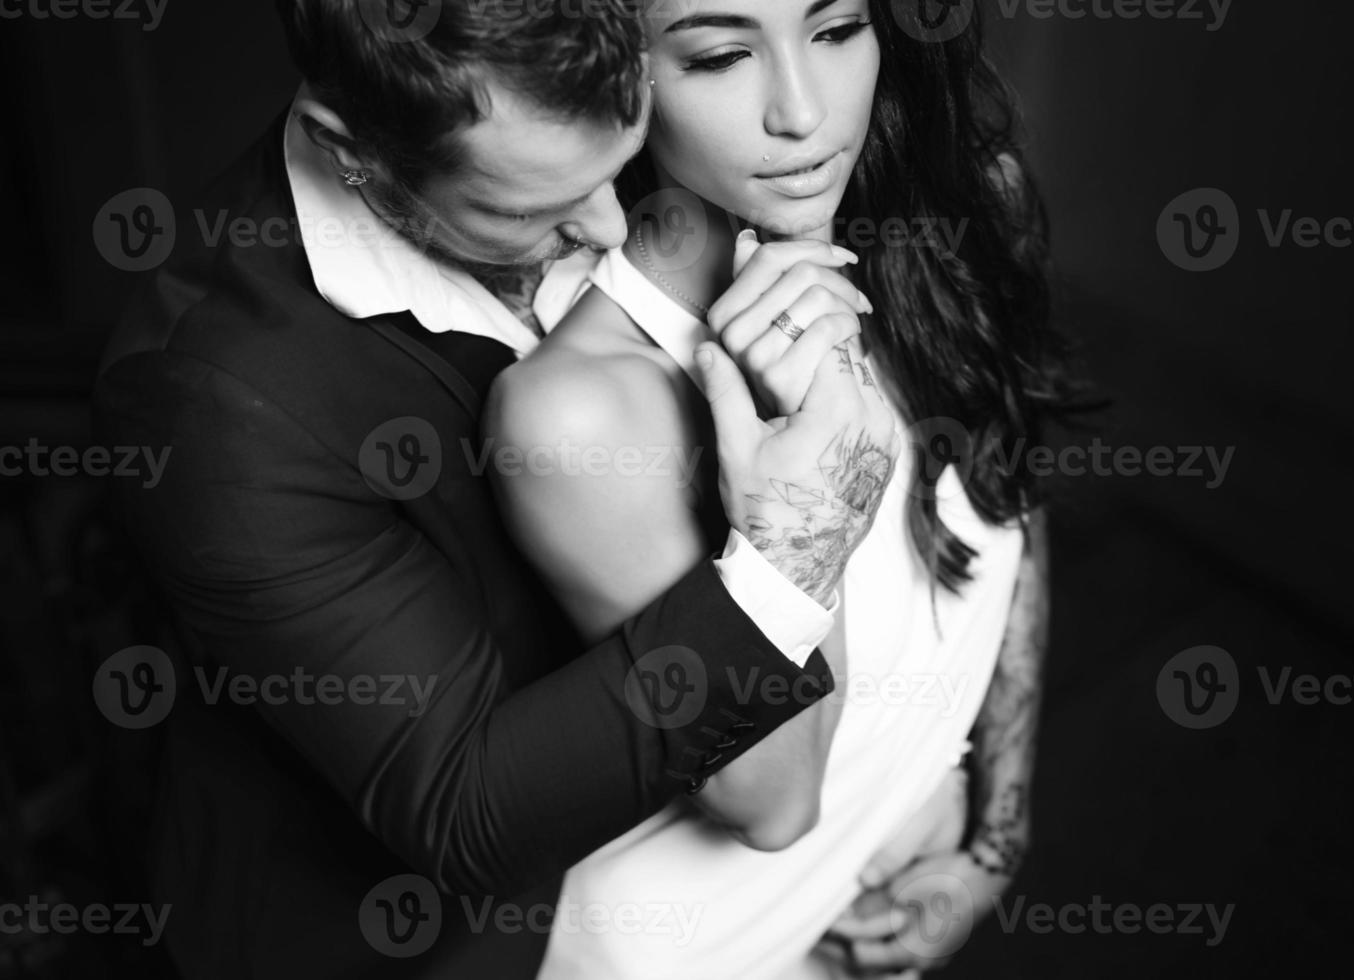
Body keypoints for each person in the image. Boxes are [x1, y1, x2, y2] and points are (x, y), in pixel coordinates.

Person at [89, 1, 901, 977]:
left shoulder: (602, 101)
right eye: (529, 207)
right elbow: (466, 813)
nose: (609, 225)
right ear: (353, 152)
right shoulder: (216, 408)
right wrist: (795, 549)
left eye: (620, 157)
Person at [485, 0, 1067, 976]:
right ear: (617, 77)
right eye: (720, 56)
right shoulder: (583, 414)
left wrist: (988, 838)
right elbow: (774, 798)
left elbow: (1008, 493)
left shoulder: (963, 207)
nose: (803, 111)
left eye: (837, 31)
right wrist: (802, 493)